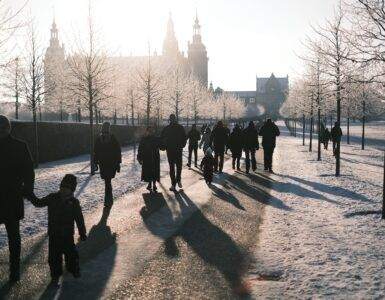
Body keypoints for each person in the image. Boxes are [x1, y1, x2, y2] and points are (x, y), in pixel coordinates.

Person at [27, 174, 87, 284]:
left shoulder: (74, 203)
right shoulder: (52, 198)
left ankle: (74, 269)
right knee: (54, 258)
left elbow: (79, 219)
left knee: (71, 255)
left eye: (67, 188)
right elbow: (39, 203)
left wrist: (82, 232)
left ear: (72, 190)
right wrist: (31, 196)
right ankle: (55, 275)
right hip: (54, 234)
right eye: (62, 187)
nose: (64, 190)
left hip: (68, 235)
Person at [0, 115, 35, 282]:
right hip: (13, 196)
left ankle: (14, 270)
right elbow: (29, 171)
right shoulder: (20, 146)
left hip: (10, 196)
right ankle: (15, 270)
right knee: (14, 235)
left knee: (14, 235)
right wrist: (27, 191)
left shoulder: (20, 146)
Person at [94, 122, 122, 211]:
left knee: (107, 181)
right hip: (111, 163)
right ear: (109, 128)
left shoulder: (99, 138)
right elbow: (118, 151)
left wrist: (95, 163)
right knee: (108, 181)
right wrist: (118, 163)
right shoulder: (113, 138)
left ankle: (108, 199)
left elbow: (96, 151)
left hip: (103, 163)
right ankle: (108, 198)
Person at [161, 114, 187, 192]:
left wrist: (163, 147)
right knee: (178, 166)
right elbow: (184, 138)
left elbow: (162, 139)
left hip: (170, 150)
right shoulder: (180, 128)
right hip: (178, 150)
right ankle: (178, 180)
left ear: (170, 119)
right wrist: (182, 145)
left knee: (172, 167)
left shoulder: (166, 129)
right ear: (175, 119)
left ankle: (173, 184)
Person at [137, 126, 162, 193]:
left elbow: (161, 146)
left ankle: (153, 184)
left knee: (154, 171)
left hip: (154, 157)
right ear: (147, 131)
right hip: (148, 157)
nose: (150, 132)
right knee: (149, 171)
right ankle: (151, 184)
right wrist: (139, 157)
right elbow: (140, 149)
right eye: (149, 131)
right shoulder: (145, 139)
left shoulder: (155, 139)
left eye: (151, 131)